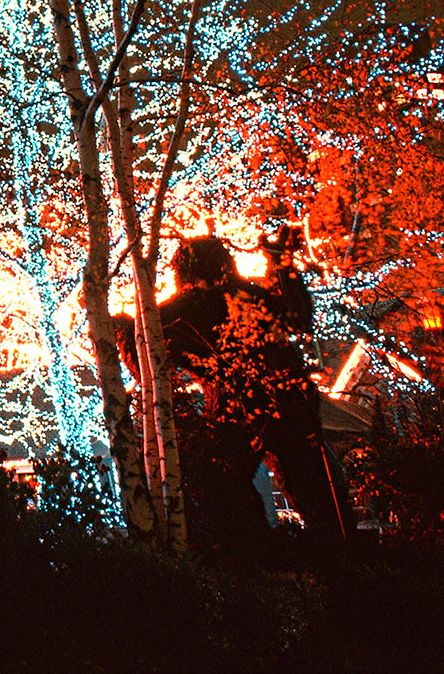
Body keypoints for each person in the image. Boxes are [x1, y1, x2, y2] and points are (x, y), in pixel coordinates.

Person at [130, 233, 352, 548]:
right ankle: (339, 552)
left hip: (238, 408)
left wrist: (125, 328)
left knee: (225, 486)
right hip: (289, 402)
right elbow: (299, 316)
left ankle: (254, 555)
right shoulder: (254, 297)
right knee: (316, 491)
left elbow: (149, 351)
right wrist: (282, 263)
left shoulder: (187, 307)